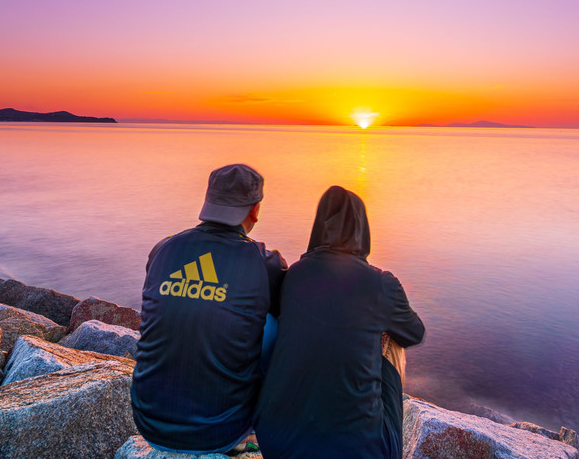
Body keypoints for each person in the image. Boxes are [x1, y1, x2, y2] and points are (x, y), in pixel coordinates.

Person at [254, 186, 425, 459]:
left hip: (276, 442)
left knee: (281, 323)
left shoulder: (293, 275)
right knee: (393, 340)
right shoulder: (380, 282)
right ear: (363, 231)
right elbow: (414, 333)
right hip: (363, 451)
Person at [131, 164, 287, 454]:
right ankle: (258, 428)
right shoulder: (265, 263)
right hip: (220, 432)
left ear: (207, 203)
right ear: (255, 210)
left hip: (148, 420)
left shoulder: (163, 249)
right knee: (278, 326)